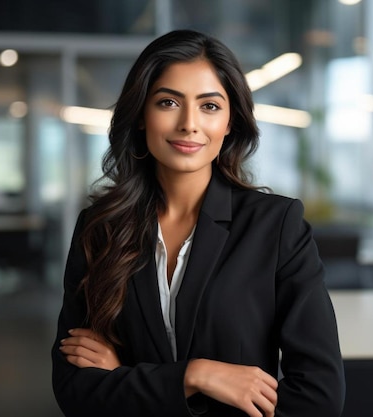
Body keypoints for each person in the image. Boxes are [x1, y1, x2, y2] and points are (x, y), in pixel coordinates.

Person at [51, 29, 345, 417]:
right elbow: (75, 391)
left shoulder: (276, 227)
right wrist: (196, 376)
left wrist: (129, 377)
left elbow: (320, 397)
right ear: (141, 115)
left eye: (209, 106)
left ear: (230, 123)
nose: (189, 124)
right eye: (169, 102)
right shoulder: (100, 227)